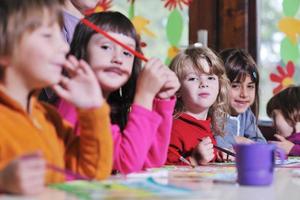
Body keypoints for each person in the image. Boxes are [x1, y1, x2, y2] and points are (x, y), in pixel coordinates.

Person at [0, 0, 112, 194]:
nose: (63, 47)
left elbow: (93, 172)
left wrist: (93, 109)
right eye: (47, 36)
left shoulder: (49, 118)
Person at [56, 11, 180, 173]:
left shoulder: (108, 105)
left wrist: (161, 101)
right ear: (82, 50)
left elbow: (151, 159)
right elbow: (127, 164)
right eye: (106, 47)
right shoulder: (76, 102)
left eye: (127, 53)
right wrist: (144, 96)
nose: (118, 58)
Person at [166, 46, 230, 166]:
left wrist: (217, 156)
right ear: (177, 88)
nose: (204, 84)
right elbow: (163, 171)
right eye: (193, 78)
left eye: (210, 77)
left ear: (219, 86)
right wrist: (194, 160)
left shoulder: (207, 124)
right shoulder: (173, 128)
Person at [215, 49, 266, 149]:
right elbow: (213, 140)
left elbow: (260, 142)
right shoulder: (214, 113)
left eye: (250, 86)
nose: (244, 94)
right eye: (235, 86)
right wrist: (237, 140)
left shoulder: (247, 115)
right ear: (219, 85)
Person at [267, 86, 300, 156]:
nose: (272, 125)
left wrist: (292, 149)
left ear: (292, 112)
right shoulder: (285, 140)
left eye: (274, 116)